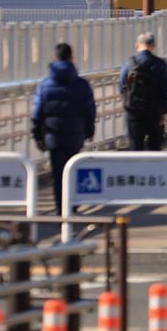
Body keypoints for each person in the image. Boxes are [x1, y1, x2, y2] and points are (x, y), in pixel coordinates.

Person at [31, 43, 96, 213]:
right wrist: (90, 131)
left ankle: (61, 208)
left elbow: (37, 113)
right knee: (73, 169)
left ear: (55, 58)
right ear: (71, 58)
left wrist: (38, 135)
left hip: (54, 137)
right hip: (76, 135)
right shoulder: (82, 85)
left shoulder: (44, 85)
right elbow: (89, 110)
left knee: (58, 174)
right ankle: (73, 203)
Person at [119, 33, 167, 151]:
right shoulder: (160, 64)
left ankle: (135, 168)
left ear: (137, 45)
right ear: (153, 46)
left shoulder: (129, 63)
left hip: (133, 110)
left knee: (135, 145)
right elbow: (164, 89)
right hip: (154, 110)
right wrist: (165, 112)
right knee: (155, 145)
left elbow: (122, 86)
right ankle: (152, 168)